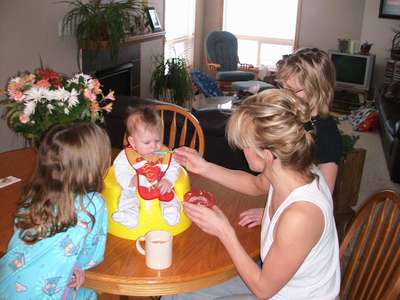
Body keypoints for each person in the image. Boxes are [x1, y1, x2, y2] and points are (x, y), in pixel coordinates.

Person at [167, 89, 340, 299]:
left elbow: (263, 289)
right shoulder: (290, 168)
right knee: (177, 291)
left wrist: (224, 231)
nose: (241, 149)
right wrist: (204, 167)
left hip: (276, 292)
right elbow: (253, 184)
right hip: (276, 281)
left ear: (267, 154)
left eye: (245, 145)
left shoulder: (301, 216)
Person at [0, 122, 111, 299]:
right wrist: (78, 266)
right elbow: (92, 257)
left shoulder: (33, 194)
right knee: (89, 294)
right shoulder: (93, 204)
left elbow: (24, 237)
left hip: (6, 285)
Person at [240, 47, 343, 229]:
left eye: (293, 90)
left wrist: (269, 213)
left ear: (318, 89)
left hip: (299, 222)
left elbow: (322, 197)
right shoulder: (293, 118)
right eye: (282, 87)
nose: (285, 95)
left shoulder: (327, 134)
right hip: (278, 198)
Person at [112, 106, 181, 228]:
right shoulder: (127, 156)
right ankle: (129, 215)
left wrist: (168, 180)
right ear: (133, 142)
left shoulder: (163, 153)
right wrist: (130, 180)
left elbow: (174, 166)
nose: (154, 146)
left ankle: (172, 212)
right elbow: (119, 171)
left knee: (171, 195)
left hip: (160, 184)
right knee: (128, 196)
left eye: (157, 140)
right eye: (147, 142)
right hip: (135, 187)